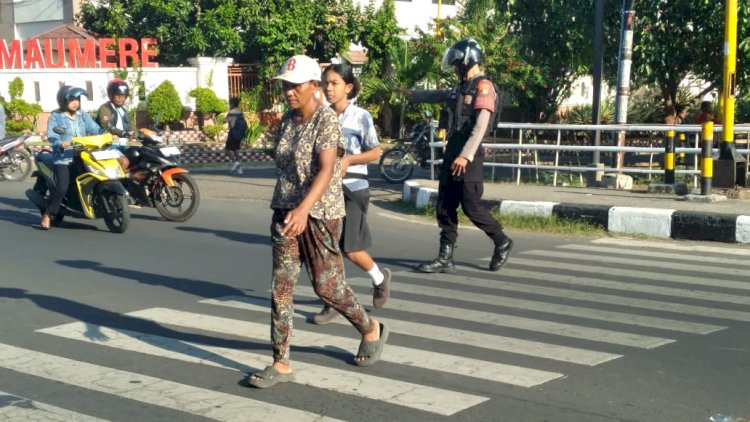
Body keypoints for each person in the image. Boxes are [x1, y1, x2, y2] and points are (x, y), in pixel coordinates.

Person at [246, 55, 388, 389]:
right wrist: (291, 208)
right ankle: (280, 361)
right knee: (282, 286)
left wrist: (304, 208)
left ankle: (370, 328)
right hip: (285, 212)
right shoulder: (287, 120)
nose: (289, 92)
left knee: (327, 287)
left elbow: (327, 169)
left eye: (296, 86)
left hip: (321, 213)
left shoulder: (327, 120)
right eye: (285, 86)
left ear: (314, 87)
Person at [398, 38, 513, 273]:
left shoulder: (484, 87)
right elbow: (438, 95)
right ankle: (445, 257)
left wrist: (466, 155)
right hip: (453, 153)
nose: (455, 69)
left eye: (457, 64)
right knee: (445, 205)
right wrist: (411, 94)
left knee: (471, 205)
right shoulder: (461, 88)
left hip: (469, 157)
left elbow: (480, 126)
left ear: (468, 61)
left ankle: (502, 241)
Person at [311, 63, 392, 325]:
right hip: (327, 190)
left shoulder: (361, 116)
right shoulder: (321, 116)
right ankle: (333, 300)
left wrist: (350, 161)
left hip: (354, 189)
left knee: (350, 249)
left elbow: (376, 151)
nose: (329, 88)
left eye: (334, 83)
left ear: (348, 87)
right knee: (328, 247)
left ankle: (380, 279)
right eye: (326, 83)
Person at [40, 86, 102, 230]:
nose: (75, 103)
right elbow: (52, 136)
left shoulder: (83, 115)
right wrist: (60, 143)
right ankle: (48, 214)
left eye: (77, 99)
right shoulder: (56, 116)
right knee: (62, 187)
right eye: (72, 100)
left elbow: (95, 129)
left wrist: (107, 132)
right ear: (63, 101)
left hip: (83, 155)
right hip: (64, 157)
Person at [96, 79, 132, 170]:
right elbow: (107, 125)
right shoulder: (105, 108)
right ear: (111, 95)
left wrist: (139, 132)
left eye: (123, 96)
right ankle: (118, 183)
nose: (121, 98)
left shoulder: (123, 110)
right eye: (117, 96)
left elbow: (131, 126)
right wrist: (123, 133)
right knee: (124, 162)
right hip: (107, 144)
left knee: (142, 153)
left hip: (124, 143)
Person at [224, 97, 247, 174]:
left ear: (232, 104)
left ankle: (235, 163)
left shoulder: (231, 112)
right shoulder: (240, 112)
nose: (229, 105)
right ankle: (239, 169)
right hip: (239, 134)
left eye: (230, 104)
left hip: (232, 133)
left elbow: (225, 121)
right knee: (236, 150)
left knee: (226, 150)